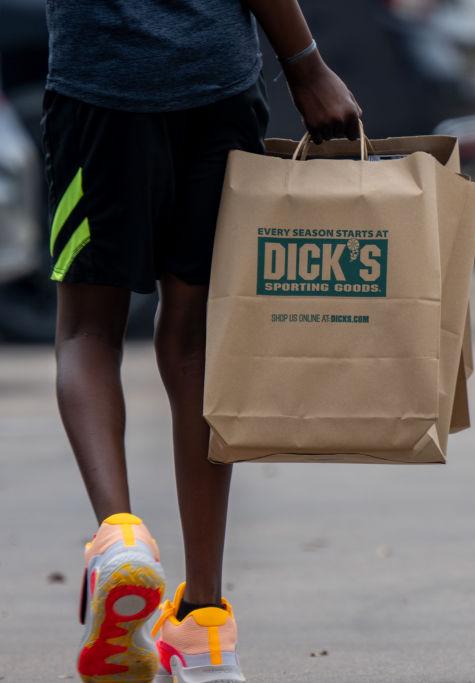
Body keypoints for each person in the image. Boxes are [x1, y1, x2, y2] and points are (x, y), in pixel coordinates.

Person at [44, 1, 361, 681]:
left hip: (98, 87)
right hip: (216, 87)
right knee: (194, 339)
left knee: (87, 330)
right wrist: (306, 65)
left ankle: (121, 542)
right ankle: (205, 625)